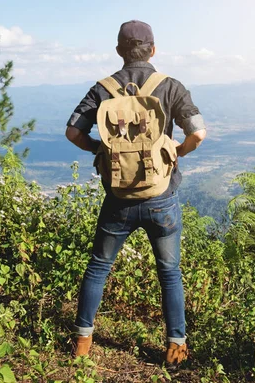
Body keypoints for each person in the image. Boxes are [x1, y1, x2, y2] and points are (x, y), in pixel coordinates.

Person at [65, 20, 206, 366]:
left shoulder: (103, 89)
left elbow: (72, 132)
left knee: (99, 267)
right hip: (162, 198)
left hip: (118, 200)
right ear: (153, 50)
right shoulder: (169, 86)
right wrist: (177, 150)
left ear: (119, 52)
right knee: (170, 273)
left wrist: (100, 148)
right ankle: (175, 347)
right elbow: (199, 133)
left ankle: (83, 340)